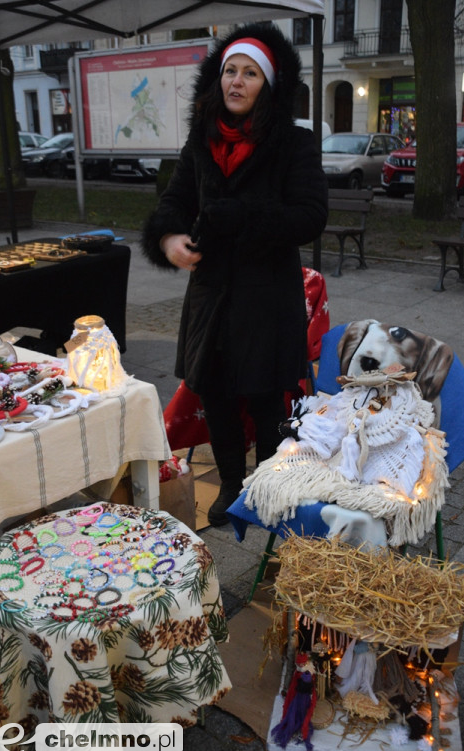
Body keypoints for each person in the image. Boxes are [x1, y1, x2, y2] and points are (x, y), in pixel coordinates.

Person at [141, 22, 328, 526]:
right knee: (218, 394)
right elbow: (174, 204)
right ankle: (229, 484)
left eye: (249, 73)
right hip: (212, 297)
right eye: (230, 71)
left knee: (266, 398)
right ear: (218, 79)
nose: (236, 82)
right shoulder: (202, 140)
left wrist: (243, 216)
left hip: (266, 298)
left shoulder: (293, 143)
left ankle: (267, 486)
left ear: (267, 84)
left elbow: (310, 216)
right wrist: (168, 239)